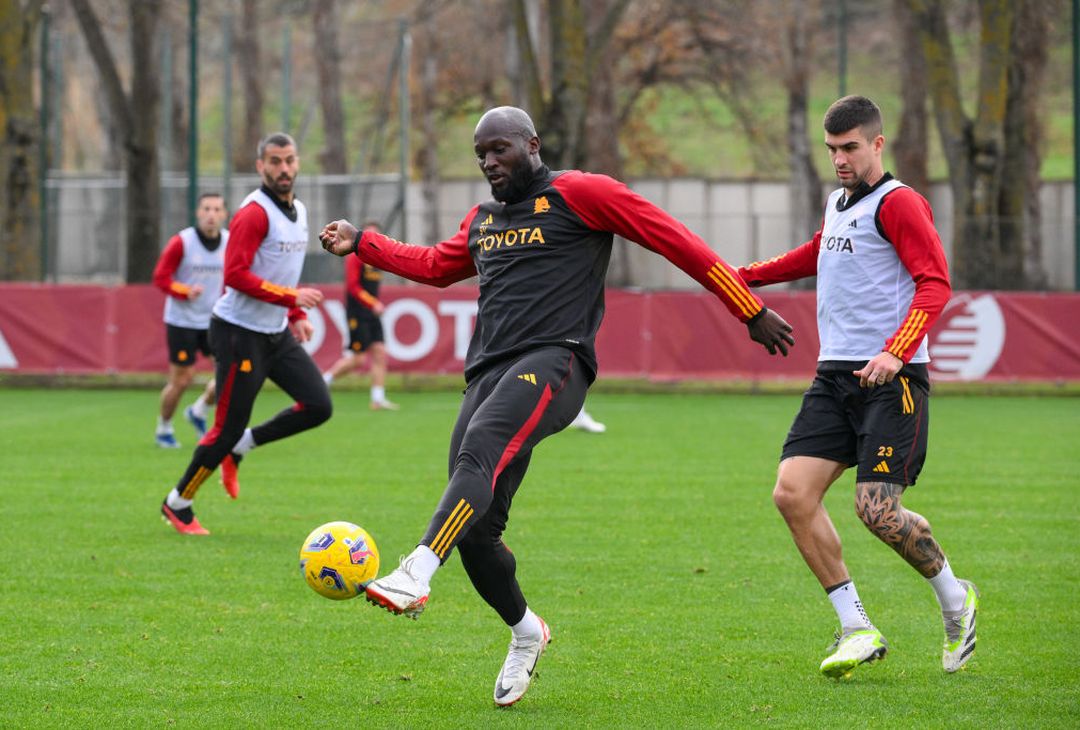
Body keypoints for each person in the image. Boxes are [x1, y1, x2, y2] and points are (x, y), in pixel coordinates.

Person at [320, 106, 795, 706]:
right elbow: (438, 267)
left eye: (500, 150)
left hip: (555, 360)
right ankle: (526, 633)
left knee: (480, 447)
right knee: (475, 528)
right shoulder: (484, 219)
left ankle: (416, 570)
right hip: (488, 370)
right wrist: (363, 243)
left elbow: (679, 244)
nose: (490, 163)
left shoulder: (582, 194)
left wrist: (748, 308)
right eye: (481, 155)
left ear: (533, 145)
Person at [736, 95, 977, 678]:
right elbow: (821, 251)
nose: (839, 159)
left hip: (892, 381)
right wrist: (746, 275)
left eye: (849, 148)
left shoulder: (900, 204)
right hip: (834, 375)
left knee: (877, 512)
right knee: (792, 494)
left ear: (876, 144)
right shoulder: (839, 201)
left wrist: (896, 351)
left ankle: (954, 597)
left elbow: (935, 284)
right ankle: (856, 627)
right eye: (831, 149)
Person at [160, 132, 332, 535]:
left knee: (318, 405)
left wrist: (293, 314)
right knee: (223, 428)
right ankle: (177, 502)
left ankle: (242, 447)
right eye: (275, 161)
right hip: (239, 333)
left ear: (298, 162)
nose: (284, 168)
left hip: (274, 331)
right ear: (260, 167)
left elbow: (278, 272)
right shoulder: (253, 213)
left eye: (289, 160)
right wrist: (291, 298)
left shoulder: (300, 211)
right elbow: (235, 276)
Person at [151, 193, 229, 448]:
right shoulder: (182, 242)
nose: (211, 214)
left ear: (224, 215)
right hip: (182, 321)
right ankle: (164, 427)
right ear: (198, 213)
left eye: (216, 209)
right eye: (206, 208)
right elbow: (161, 277)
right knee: (181, 380)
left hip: (214, 321)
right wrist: (184, 291)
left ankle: (198, 411)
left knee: (229, 374)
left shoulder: (230, 242)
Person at [322, 220, 398, 410]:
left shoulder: (378, 257)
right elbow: (353, 287)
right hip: (358, 312)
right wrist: (373, 303)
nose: (372, 238)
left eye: (376, 234)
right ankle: (323, 382)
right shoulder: (355, 255)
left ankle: (377, 399)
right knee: (358, 359)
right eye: (368, 233)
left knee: (380, 354)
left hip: (372, 312)